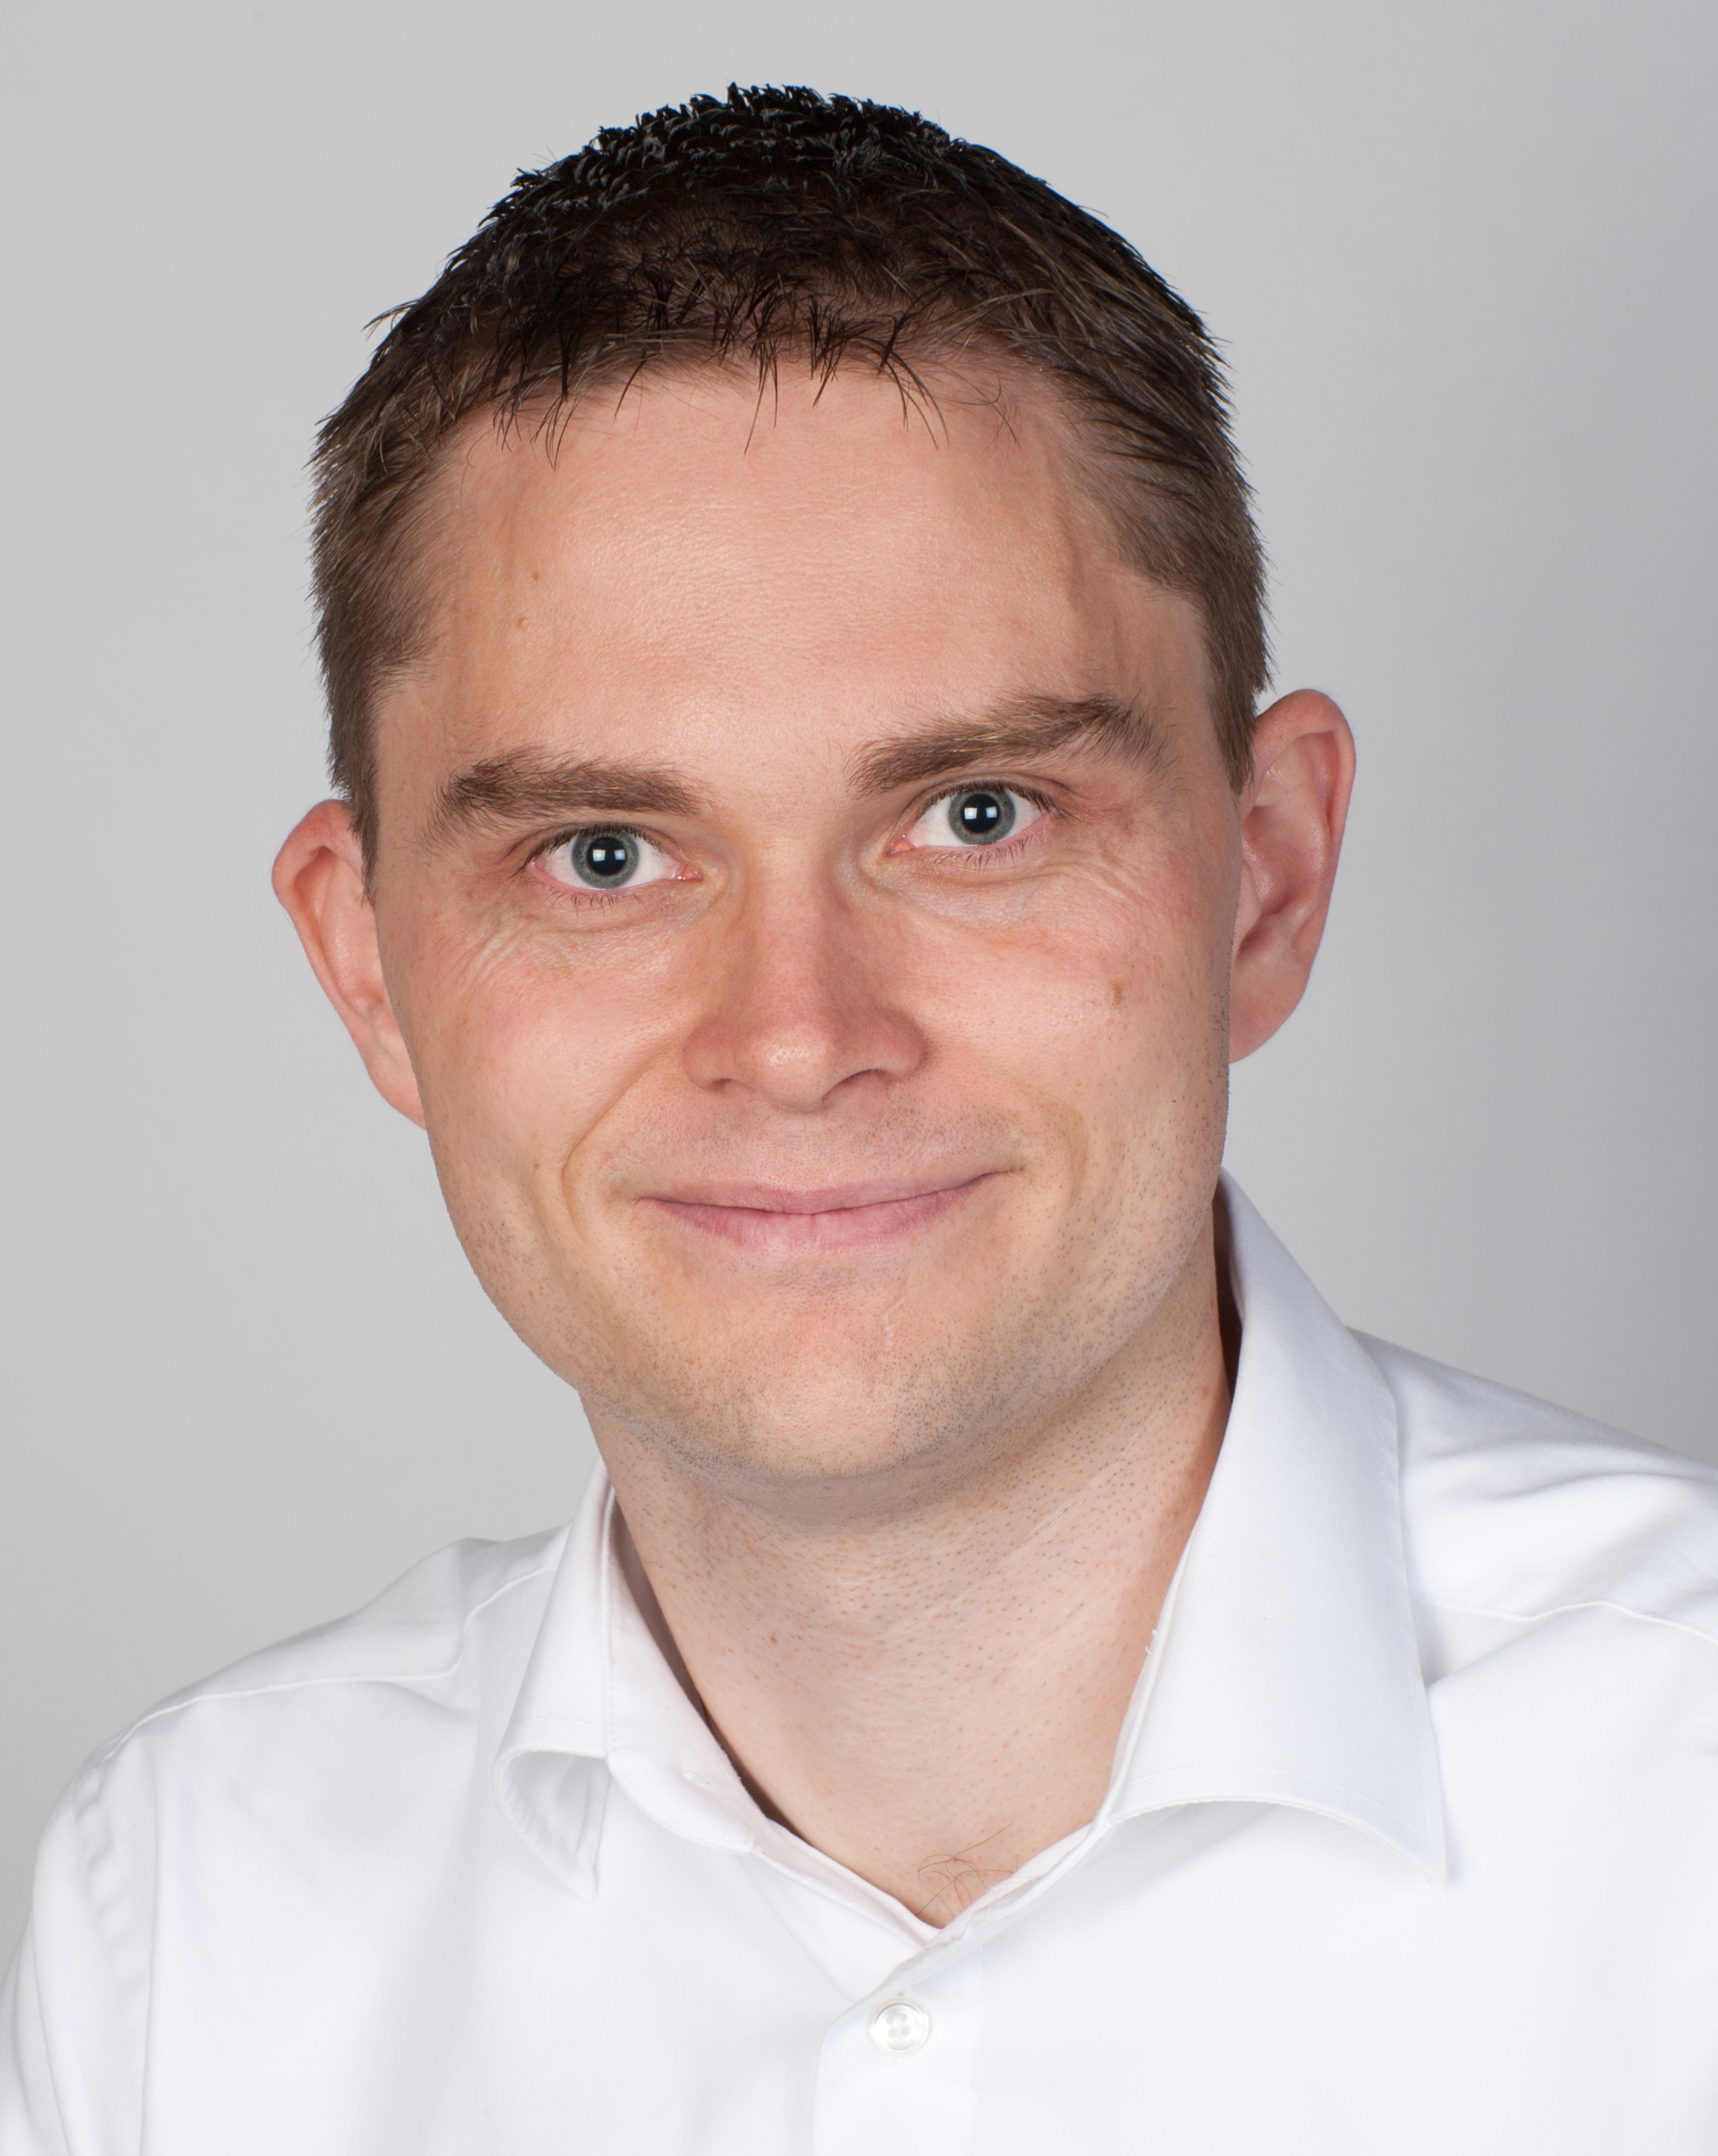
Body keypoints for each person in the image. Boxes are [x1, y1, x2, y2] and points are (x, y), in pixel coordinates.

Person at [3, 82, 1714, 2156]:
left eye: (976, 816)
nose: (799, 1037)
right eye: (606, 856)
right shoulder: (195, 1910)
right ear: (368, 967)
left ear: (1266, 873)